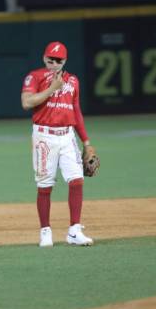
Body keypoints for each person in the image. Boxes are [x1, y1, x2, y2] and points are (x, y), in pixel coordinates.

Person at [21, 41, 95, 247]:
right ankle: (45, 231)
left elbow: (76, 112)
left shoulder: (73, 81)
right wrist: (52, 88)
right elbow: (26, 103)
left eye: (58, 60)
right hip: (44, 136)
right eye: (50, 59)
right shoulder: (34, 77)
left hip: (67, 136)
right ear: (44, 58)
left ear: (65, 61)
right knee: (45, 185)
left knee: (77, 179)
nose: (53, 63)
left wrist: (86, 142)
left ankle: (74, 231)